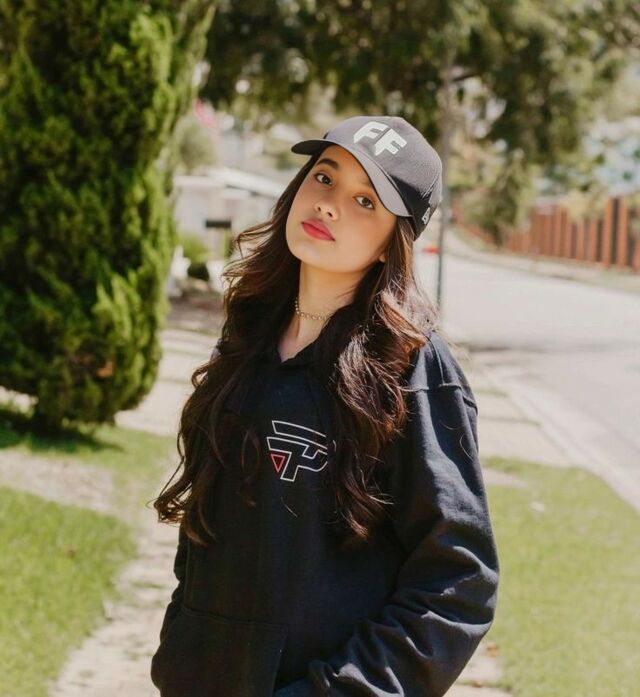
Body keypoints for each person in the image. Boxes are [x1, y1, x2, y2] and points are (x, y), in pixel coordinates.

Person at [150, 115, 500, 697]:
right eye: (324, 176)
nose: (329, 205)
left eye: (365, 201)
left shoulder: (412, 370)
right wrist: (182, 648)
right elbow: (209, 526)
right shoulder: (249, 335)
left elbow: (457, 582)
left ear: (394, 241)